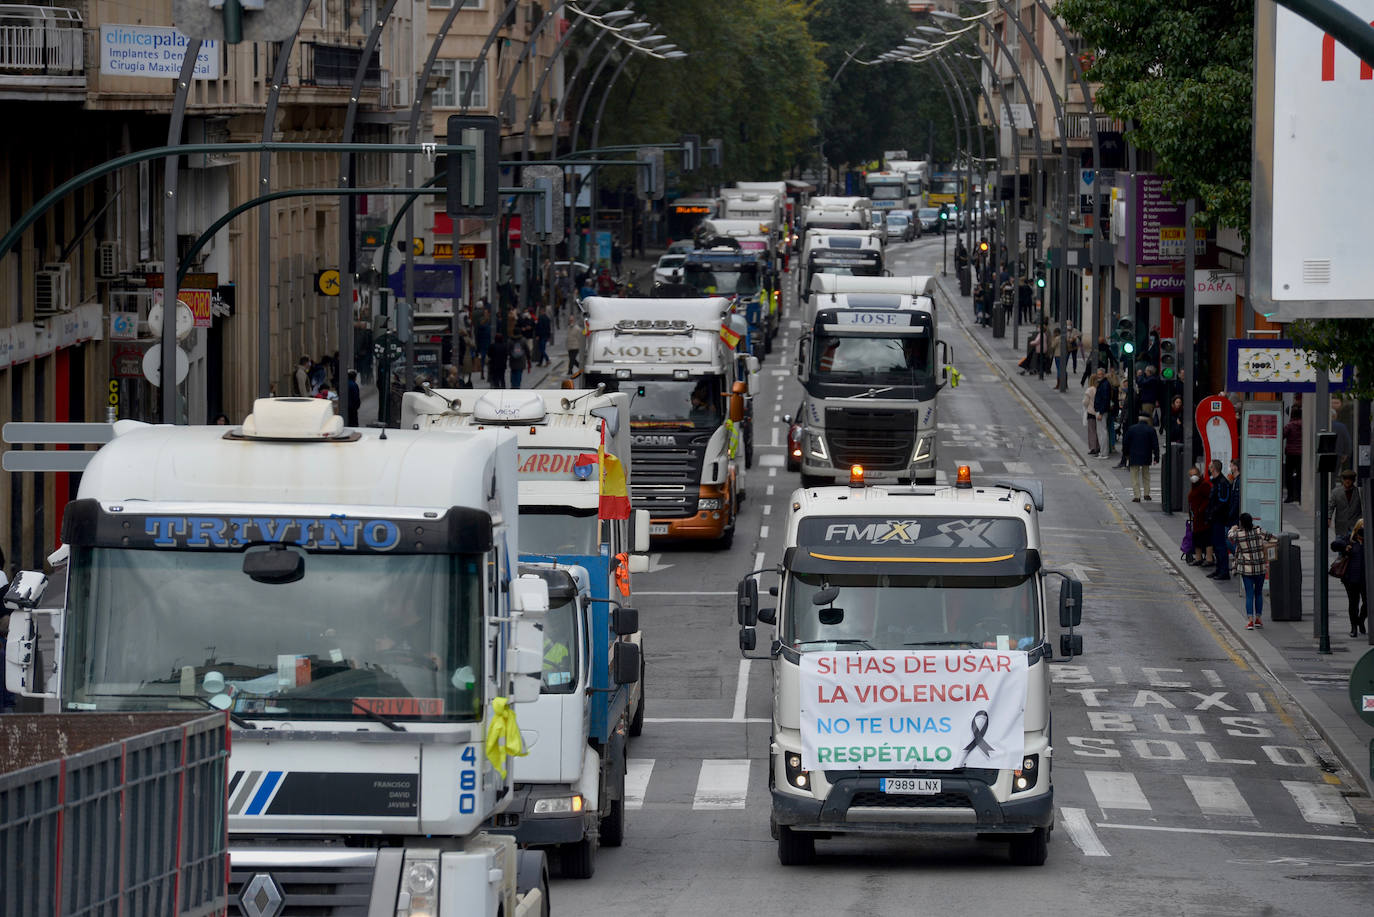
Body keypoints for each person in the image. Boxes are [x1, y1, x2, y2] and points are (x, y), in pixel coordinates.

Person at [1229, 512, 1277, 629]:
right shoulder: (1259, 531)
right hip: (1260, 567)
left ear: (1241, 523)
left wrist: (1233, 528)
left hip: (1247, 569)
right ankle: (1258, 619)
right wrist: (1264, 547)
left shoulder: (1239, 534)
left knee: (1249, 594)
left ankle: (1250, 621)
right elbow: (1274, 538)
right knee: (1258, 593)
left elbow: (1230, 536)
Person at [1331, 519, 1368, 638]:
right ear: (1357, 528)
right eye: (1361, 527)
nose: (1363, 530)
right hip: (1351, 578)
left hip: (1366, 578)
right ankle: (1354, 627)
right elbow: (1334, 545)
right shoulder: (1350, 540)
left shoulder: (1369, 540)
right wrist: (1344, 547)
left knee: (1368, 603)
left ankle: (1361, 620)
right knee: (1353, 603)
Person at [1122, 414, 1160, 502]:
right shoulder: (1151, 430)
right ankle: (1146, 494)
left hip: (1134, 455)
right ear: (1147, 420)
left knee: (1134, 476)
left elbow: (1125, 443)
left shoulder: (1132, 429)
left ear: (1139, 419)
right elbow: (1155, 445)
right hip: (1146, 455)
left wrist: (1126, 454)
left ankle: (1137, 496)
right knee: (1146, 475)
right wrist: (1156, 457)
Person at [1206, 460, 1232, 581]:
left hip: (1219, 519)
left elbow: (1223, 501)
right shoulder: (1217, 482)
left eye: (1210, 467)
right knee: (1216, 545)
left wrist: (1212, 513)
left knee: (1220, 545)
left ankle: (1224, 571)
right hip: (1215, 518)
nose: (1208, 469)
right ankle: (1219, 569)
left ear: (1214, 469)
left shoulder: (1222, 483)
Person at [1187, 465, 1214, 566]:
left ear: (1199, 474)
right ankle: (1198, 558)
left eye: (1194, 474)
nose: (1193, 477)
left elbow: (1208, 499)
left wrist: (1200, 509)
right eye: (1191, 475)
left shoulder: (1204, 485)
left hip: (1203, 516)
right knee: (1196, 537)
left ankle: (1209, 558)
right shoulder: (1194, 485)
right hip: (1196, 517)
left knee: (1206, 537)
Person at [1329, 469, 1362, 537]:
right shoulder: (1336, 492)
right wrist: (1329, 518)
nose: (1347, 481)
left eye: (1350, 478)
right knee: (1340, 543)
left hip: (1356, 527)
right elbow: (1330, 507)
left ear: (1353, 480)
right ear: (1342, 480)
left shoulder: (1359, 492)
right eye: (1345, 478)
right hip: (1341, 527)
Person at [1282, 406, 1303, 502]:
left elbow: (1282, 435)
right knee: (1299, 475)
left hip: (1290, 453)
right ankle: (1298, 496)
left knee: (1289, 475)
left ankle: (1290, 496)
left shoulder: (1290, 425)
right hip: (1301, 454)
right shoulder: (1304, 426)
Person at [1082, 378, 1101, 455]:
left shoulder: (1089, 390)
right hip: (1098, 412)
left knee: (1092, 431)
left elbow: (1085, 402)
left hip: (1091, 412)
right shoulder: (1098, 389)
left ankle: (1093, 447)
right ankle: (1098, 446)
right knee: (1098, 431)